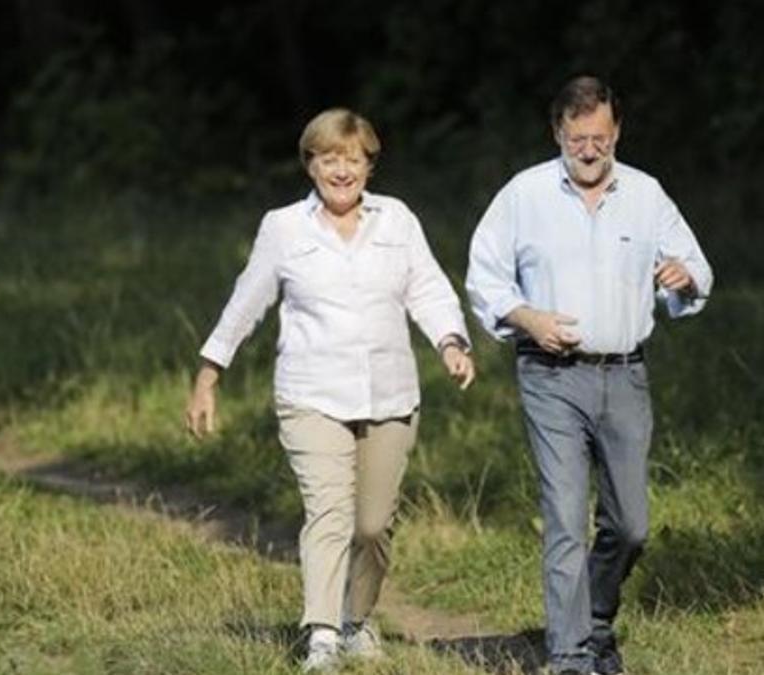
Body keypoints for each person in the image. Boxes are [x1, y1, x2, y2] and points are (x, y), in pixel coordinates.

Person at [185, 108, 475, 672]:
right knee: (330, 514)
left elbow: (430, 289)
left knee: (373, 525)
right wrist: (208, 374)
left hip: (390, 394)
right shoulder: (284, 228)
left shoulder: (397, 221)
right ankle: (321, 634)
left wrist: (450, 342)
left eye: (352, 158)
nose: (341, 170)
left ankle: (357, 619)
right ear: (310, 165)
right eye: (328, 158)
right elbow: (246, 303)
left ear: (369, 164)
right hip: (311, 393)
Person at [465, 76, 712, 675]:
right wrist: (527, 317)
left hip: (625, 376)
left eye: (600, 137)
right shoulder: (524, 195)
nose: (589, 149)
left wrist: (683, 276)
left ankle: (595, 620)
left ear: (617, 131)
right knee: (566, 517)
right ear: (558, 133)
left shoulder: (648, 195)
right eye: (578, 138)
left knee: (630, 526)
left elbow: (699, 268)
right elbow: (483, 277)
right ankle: (570, 655)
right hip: (550, 375)